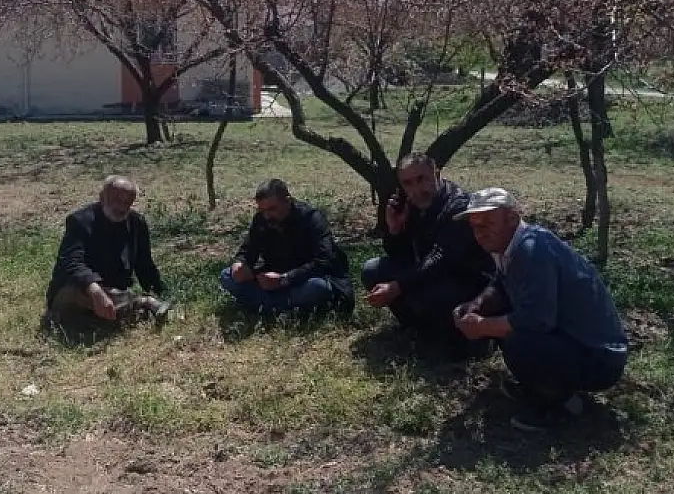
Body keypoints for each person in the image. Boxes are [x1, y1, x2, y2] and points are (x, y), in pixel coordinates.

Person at [452, 187, 629, 432]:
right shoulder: (508, 244)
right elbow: (501, 284)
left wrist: (482, 327)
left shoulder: (532, 250)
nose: (480, 232)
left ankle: (560, 405)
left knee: (519, 341)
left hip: (599, 357)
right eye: (475, 226)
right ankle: (541, 386)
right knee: (504, 323)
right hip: (574, 340)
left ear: (512, 218)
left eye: (488, 222)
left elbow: (536, 320)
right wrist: (477, 306)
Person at [361, 152, 497, 354]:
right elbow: (401, 255)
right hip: (433, 275)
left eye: (421, 179)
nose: (416, 189)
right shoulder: (413, 206)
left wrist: (398, 286)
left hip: (468, 284)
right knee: (373, 270)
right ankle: (420, 329)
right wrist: (394, 230)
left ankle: (469, 340)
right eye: (408, 183)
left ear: (437, 174)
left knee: (426, 294)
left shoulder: (458, 206)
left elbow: (441, 258)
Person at [42, 175, 172, 339]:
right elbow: (71, 262)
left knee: (116, 300)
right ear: (102, 197)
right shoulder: (80, 221)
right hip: (78, 289)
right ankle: (142, 303)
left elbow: (144, 265)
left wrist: (162, 292)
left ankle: (144, 306)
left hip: (114, 292)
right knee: (90, 295)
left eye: (127, 201)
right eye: (116, 199)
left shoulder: (136, 223)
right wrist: (95, 290)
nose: (121, 206)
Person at [220, 179, 354, 317]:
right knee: (227, 275)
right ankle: (284, 308)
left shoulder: (311, 218)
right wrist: (240, 265)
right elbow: (248, 251)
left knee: (318, 287)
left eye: (272, 209)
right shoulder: (261, 220)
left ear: (287, 201)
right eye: (262, 210)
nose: (267, 215)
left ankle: (267, 306)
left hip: (303, 279)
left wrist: (285, 279)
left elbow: (324, 261)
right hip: (273, 279)